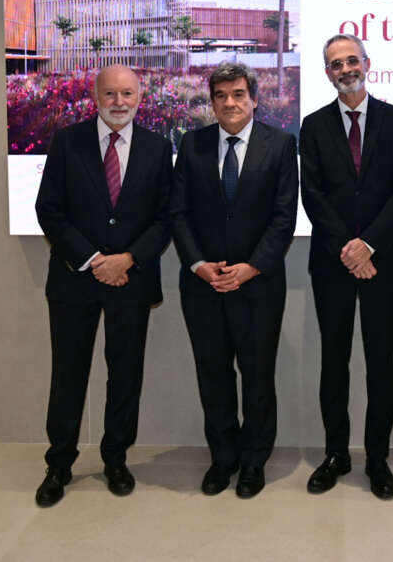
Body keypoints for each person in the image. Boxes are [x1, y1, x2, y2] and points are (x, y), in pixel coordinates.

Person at [33, 64, 173, 507]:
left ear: (139, 97)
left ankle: (116, 458)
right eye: (110, 93)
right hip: (75, 280)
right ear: (95, 96)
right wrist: (94, 260)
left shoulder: (157, 146)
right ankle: (59, 463)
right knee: (68, 374)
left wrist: (128, 259)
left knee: (125, 373)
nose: (119, 102)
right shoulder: (67, 142)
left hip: (131, 280)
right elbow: (49, 209)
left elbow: (167, 217)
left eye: (127, 93)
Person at [170, 62, 298, 499]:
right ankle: (222, 459)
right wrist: (197, 264)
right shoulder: (193, 145)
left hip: (258, 284)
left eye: (238, 94)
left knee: (258, 376)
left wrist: (251, 266)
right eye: (221, 95)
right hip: (203, 283)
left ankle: (253, 462)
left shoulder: (280, 145)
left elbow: (284, 218)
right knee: (213, 374)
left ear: (254, 99)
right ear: (212, 101)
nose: (230, 102)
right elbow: (178, 213)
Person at [300, 33, 393, 500]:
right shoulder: (312, 125)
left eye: (352, 60)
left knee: (379, 363)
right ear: (327, 72)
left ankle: (377, 459)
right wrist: (347, 248)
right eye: (335, 64)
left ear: (367, 63)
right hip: (332, 263)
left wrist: (367, 245)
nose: (345, 69)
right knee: (334, 363)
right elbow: (314, 195)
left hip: (383, 262)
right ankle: (335, 455)